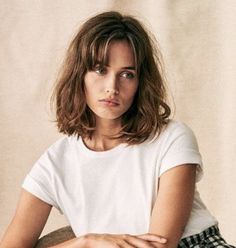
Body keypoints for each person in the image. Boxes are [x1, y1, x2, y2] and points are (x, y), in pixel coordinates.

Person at [0, 11, 235, 248]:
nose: (112, 87)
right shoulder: (55, 163)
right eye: (100, 70)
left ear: (140, 83)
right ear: (79, 75)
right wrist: (84, 243)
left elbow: (160, 245)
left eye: (127, 74)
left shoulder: (173, 138)